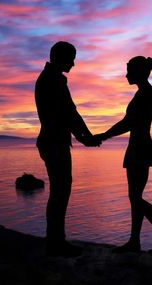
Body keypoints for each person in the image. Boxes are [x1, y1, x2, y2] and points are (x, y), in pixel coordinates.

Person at [95, 56, 152, 253]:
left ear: (139, 72)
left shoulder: (146, 93)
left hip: (140, 148)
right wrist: (104, 135)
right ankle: (135, 241)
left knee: (136, 197)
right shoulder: (143, 92)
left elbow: (128, 122)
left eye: (129, 70)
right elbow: (128, 121)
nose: (126, 75)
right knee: (135, 196)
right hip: (137, 147)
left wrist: (104, 135)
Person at [35, 41, 100, 257]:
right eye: (71, 58)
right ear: (60, 57)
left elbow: (68, 114)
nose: (73, 63)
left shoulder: (50, 78)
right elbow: (69, 113)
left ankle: (55, 240)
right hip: (54, 143)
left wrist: (84, 137)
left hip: (53, 141)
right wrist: (86, 138)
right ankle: (56, 243)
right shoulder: (53, 80)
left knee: (59, 191)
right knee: (60, 192)